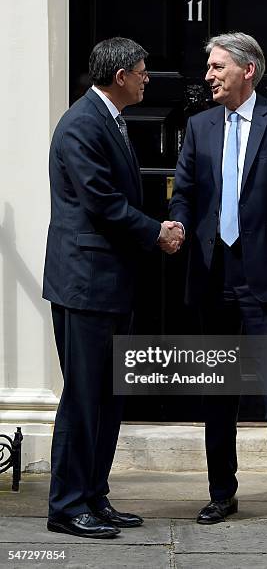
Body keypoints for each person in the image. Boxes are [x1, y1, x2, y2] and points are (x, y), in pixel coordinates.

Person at [169, 32, 267, 535]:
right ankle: (221, 494)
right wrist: (179, 225)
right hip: (214, 276)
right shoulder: (200, 126)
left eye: (217, 67)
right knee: (218, 393)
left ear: (247, 70)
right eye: (209, 67)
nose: (208, 75)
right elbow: (184, 193)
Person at [43, 37, 183, 538]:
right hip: (85, 284)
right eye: (143, 72)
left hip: (110, 283)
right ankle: (65, 505)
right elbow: (101, 202)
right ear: (120, 75)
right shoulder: (82, 123)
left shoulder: (109, 118)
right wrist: (156, 232)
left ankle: (94, 495)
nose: (149, 79)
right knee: (84, 397)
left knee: (108, 397)